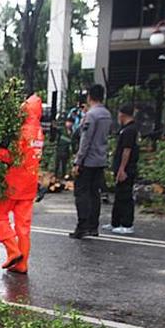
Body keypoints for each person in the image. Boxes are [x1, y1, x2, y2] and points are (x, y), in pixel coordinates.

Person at [0, 94, 44, 274]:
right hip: (29, 184)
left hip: (13, 182)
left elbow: (11, 156)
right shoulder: (39, 131)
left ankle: (13, 251)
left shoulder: (21, 131)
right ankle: (22, 264)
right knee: (23, 227)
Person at [70, 84, 112, 239]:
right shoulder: (107, 114)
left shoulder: (91, 115)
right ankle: (93, 226)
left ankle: (82, 226)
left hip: (88, 160)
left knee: (82, 193)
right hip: (100, 159)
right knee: (95, 193)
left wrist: (78, 161)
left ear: (89, 97)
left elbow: (85, 140)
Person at [105, 105, 140, 235]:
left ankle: (127, 223)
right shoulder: (125, 129)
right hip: (122, 166)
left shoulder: (130, 130)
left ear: (123, 114)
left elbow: (127, 150)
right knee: (119, 195)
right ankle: (115, 222)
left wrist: (122, 168)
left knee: (125, 195)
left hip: (127, 168)